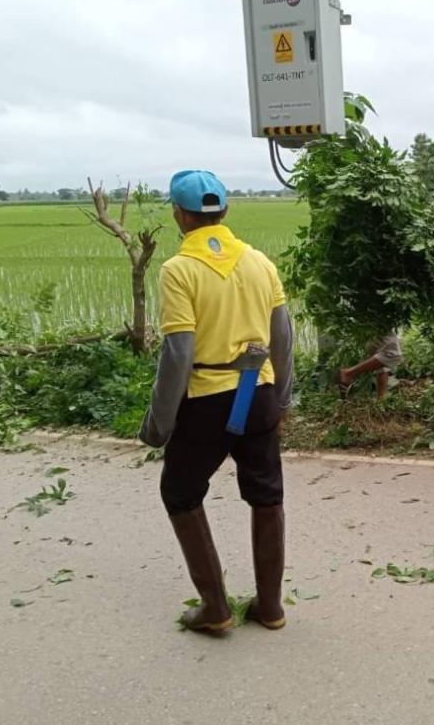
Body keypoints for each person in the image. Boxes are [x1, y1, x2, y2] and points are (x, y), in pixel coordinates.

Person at [139, 169, 294, 633]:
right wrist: (282, 400)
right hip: (257, 393)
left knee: (180, 492)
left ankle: (215, 608)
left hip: (207, 400)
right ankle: (271, 607)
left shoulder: (179, 270)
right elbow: (283, 338)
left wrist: (159, 423)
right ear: (224, 210)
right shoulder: (260, 263)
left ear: (179, 215)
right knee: (266, 494)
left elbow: (178, 353)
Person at [336, 333, 403, 399]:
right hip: (378, 327)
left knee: (381, 360)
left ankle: (381, 399)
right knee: (392, 353)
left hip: (371, 329)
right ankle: (348, 373)